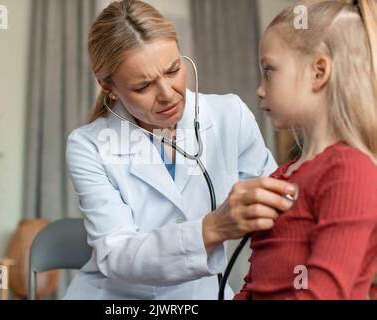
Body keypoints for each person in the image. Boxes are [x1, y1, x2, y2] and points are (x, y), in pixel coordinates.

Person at [64, 0, 296, 300]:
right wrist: (214, 227)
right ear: (109, 87)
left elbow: (279, 217)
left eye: (174, 70)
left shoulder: (230, 117)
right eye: (143, 86)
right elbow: (116, 254)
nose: (167, 94)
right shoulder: (89, 145)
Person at [235, 0, 377, 300]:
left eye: (269, 71)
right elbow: (253, 285)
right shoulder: (282, 175)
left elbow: (322, 293)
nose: (260, 89)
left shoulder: (350, 171)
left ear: (318, 71)